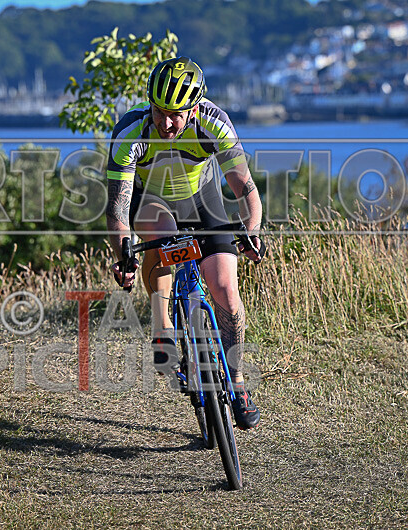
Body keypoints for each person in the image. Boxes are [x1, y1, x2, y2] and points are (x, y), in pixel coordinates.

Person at [105, 56, 265, 429]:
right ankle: (162, 329)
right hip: (152, 202)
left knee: (226, 291)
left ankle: (237, 382)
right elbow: (118, 209)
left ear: (194, 108)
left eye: (176, 114)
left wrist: (252, 228)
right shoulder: (131, 132)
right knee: (160, 236)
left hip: (203, 201)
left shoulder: (214, 123)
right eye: (160, 111)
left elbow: (246, 188)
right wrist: (123, 256)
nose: (166, 123)